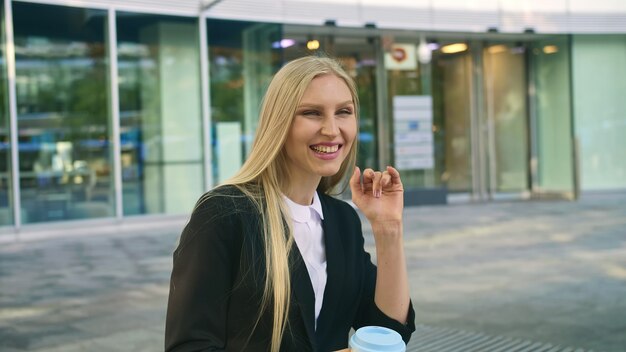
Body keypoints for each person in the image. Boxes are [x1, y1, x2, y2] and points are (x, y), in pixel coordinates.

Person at [165, 56, 415, 352]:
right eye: (312, 113)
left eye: (344, 112)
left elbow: (388, 332)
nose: (332, 130)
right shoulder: (224, 214)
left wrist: (388, 230)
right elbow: (190, 346)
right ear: (279, 122)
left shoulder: (343, 220)